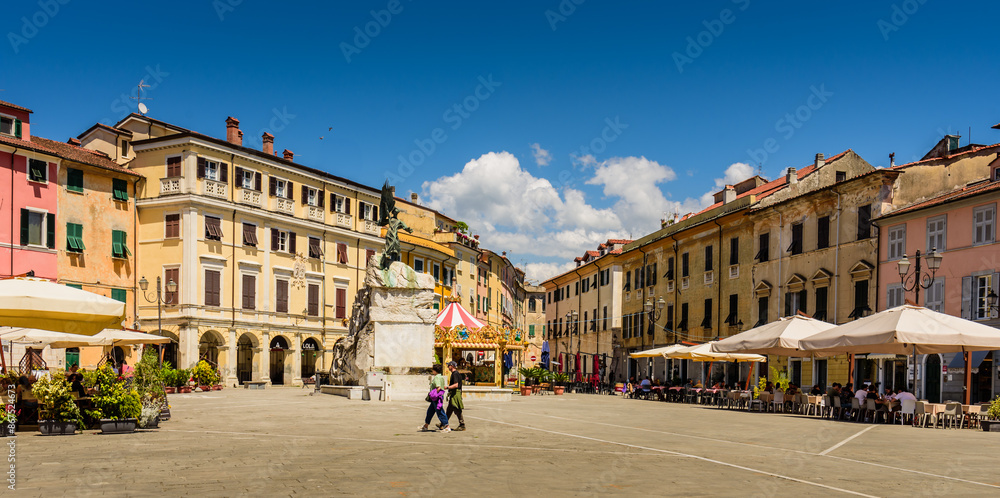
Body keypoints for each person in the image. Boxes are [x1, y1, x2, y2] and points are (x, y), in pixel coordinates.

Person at [419, 364, 450, 433]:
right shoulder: (441, 377)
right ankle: (426, 425)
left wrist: (433, 394)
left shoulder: (437, 378)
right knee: (430, 411)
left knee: (440, 411)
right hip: (438, 396)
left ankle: (447, 426)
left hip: (436, 397)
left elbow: (438, 387)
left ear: (435, 371)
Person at [444, 361, 466, 431]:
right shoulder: (455, 373)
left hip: (455, 394)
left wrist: (447, 387)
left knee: (456, 408)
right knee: (449, 409)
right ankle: (443, 423)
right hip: (454, 393)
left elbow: (456, 385)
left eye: (449, 365)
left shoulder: (455, 374)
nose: (448, 367)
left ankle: (462, 425)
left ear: (452, 366)